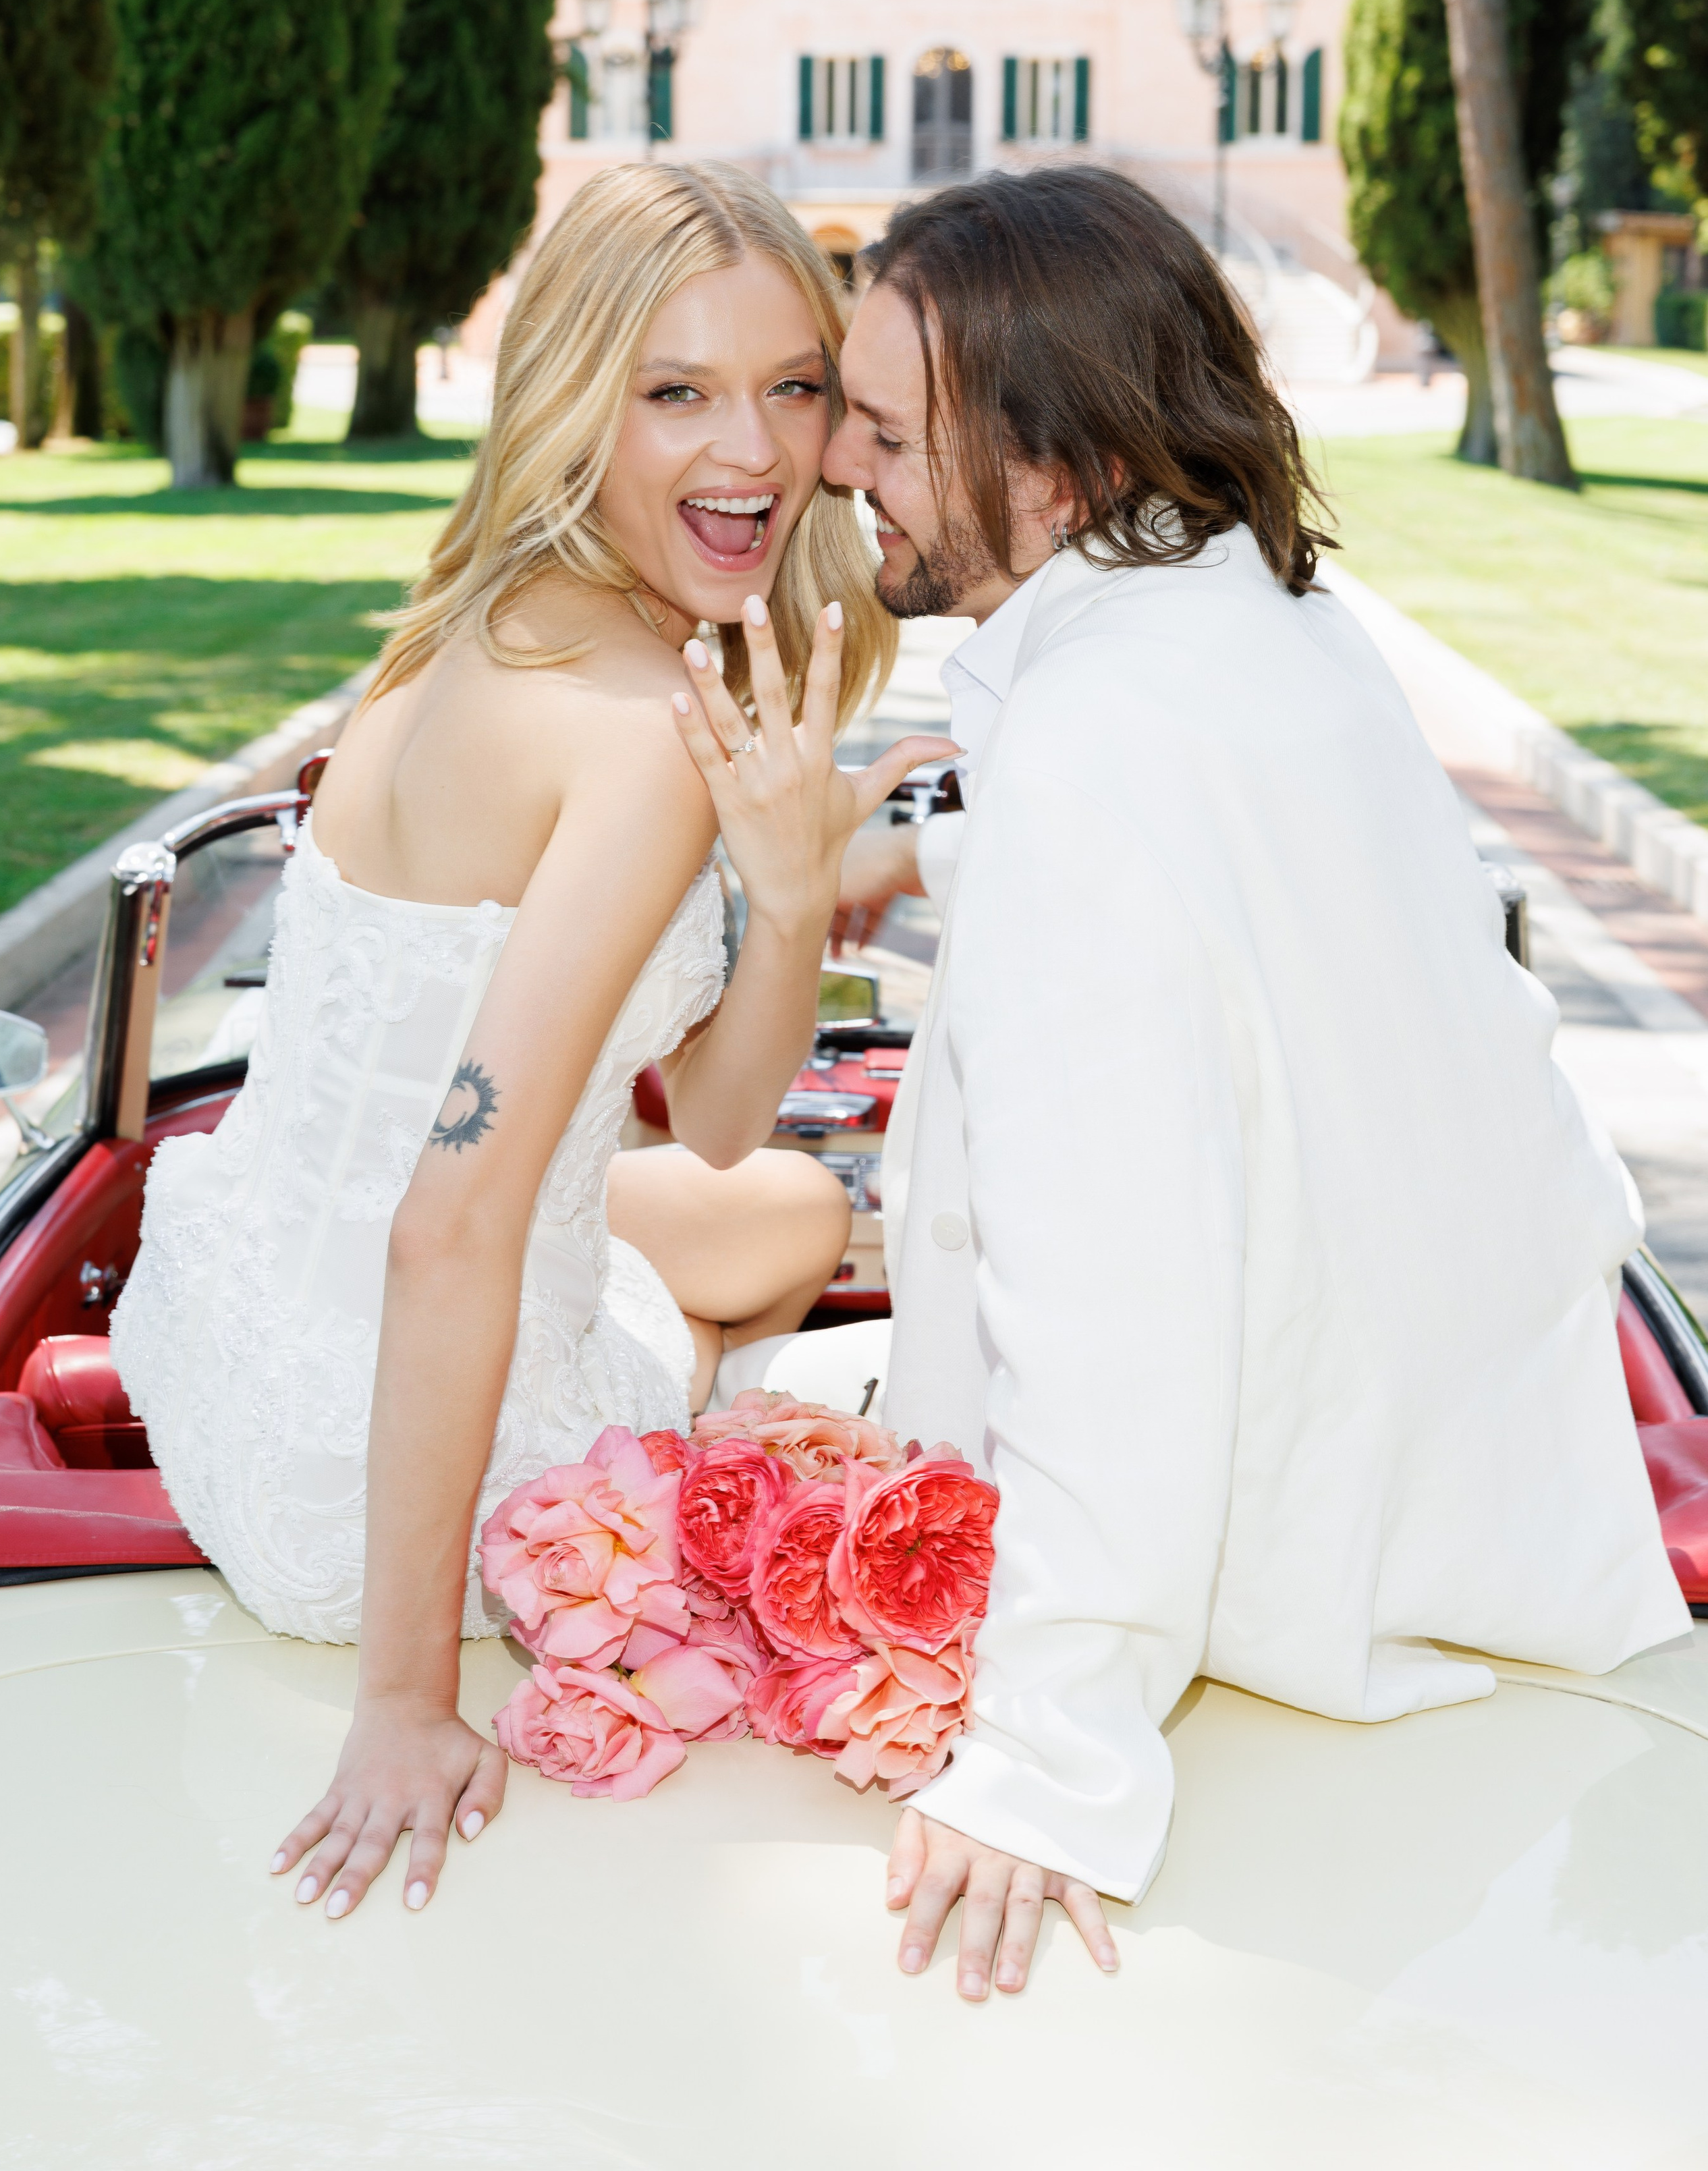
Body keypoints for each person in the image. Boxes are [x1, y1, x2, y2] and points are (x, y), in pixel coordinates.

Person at [796, 165, 1687, 2002]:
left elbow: (1120, 1300)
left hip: (1306, 1614)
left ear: (1059, 469)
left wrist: (1049, 1759)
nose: (833, 468)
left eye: (886, 433)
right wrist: (947, 869)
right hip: (1483, 1531)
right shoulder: (1268, 619)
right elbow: (1266, 916)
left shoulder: (1098, 759)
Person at [111, 161, 952, 1919]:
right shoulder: (644, 732)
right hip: (384, 1466)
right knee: (774, 1261)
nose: (758, 453)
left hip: (235, 1321)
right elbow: (455, 1222)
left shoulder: (459, 623)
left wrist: (793, 897)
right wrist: (407, 1704)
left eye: (794, 386)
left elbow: (716, 1127)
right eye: (678, 394)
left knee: (787, 1210)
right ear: (578, 396)